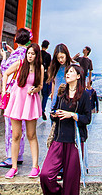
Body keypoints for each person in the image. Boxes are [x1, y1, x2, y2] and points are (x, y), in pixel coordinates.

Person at [39, 63, 93, 195]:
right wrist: (54, 114)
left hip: (74, 141)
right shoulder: (62, 91)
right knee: (45, 174)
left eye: (71, 72)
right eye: (67, 72)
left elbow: (87, 118)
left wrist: (73, 115)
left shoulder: (84, 95)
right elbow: (55, 112)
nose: (68, 74)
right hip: (59, 138)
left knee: (71, 180)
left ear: (78, 76)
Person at [3, 42, 43, 178]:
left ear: (37, 55)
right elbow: (6, 73)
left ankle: (35, 166)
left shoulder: (40, 68)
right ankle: (14, 166)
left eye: (33, 54)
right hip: (17, 99)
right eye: (29, 53)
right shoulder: (20, 64)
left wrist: (35, 89)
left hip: (30, 100)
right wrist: (3, 92)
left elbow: (40, 85)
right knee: (16, 135)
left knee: (31, 135)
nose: (30, 56)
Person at [0, 28, 33, 168]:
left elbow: (6, 69)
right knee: (21, 125)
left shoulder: (16, 55)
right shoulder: (28, 54)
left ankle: (11, 156)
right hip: (24, 92)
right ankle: (19, 154)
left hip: (12, 92)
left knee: (11, 125)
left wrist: (5, 57)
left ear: (16, 39)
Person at [46, 43, 72, 118]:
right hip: (56, 101)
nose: (60, 60)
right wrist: (53, 102)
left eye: (62, 57)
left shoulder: (73, 67)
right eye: (58, 58)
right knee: (55, 128)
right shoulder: (55, 67)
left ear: (66, 55)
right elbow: (54, 84)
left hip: (68, 101)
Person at [39, 40, 53, 119]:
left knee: (36, 94)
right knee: (45, 94)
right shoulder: (48, 56)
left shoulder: (38, 54)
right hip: (44, 76)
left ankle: (36, 108)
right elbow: (49, 68)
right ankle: (42, 109)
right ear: (47, 47)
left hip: (36, 76)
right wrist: (49, 77)